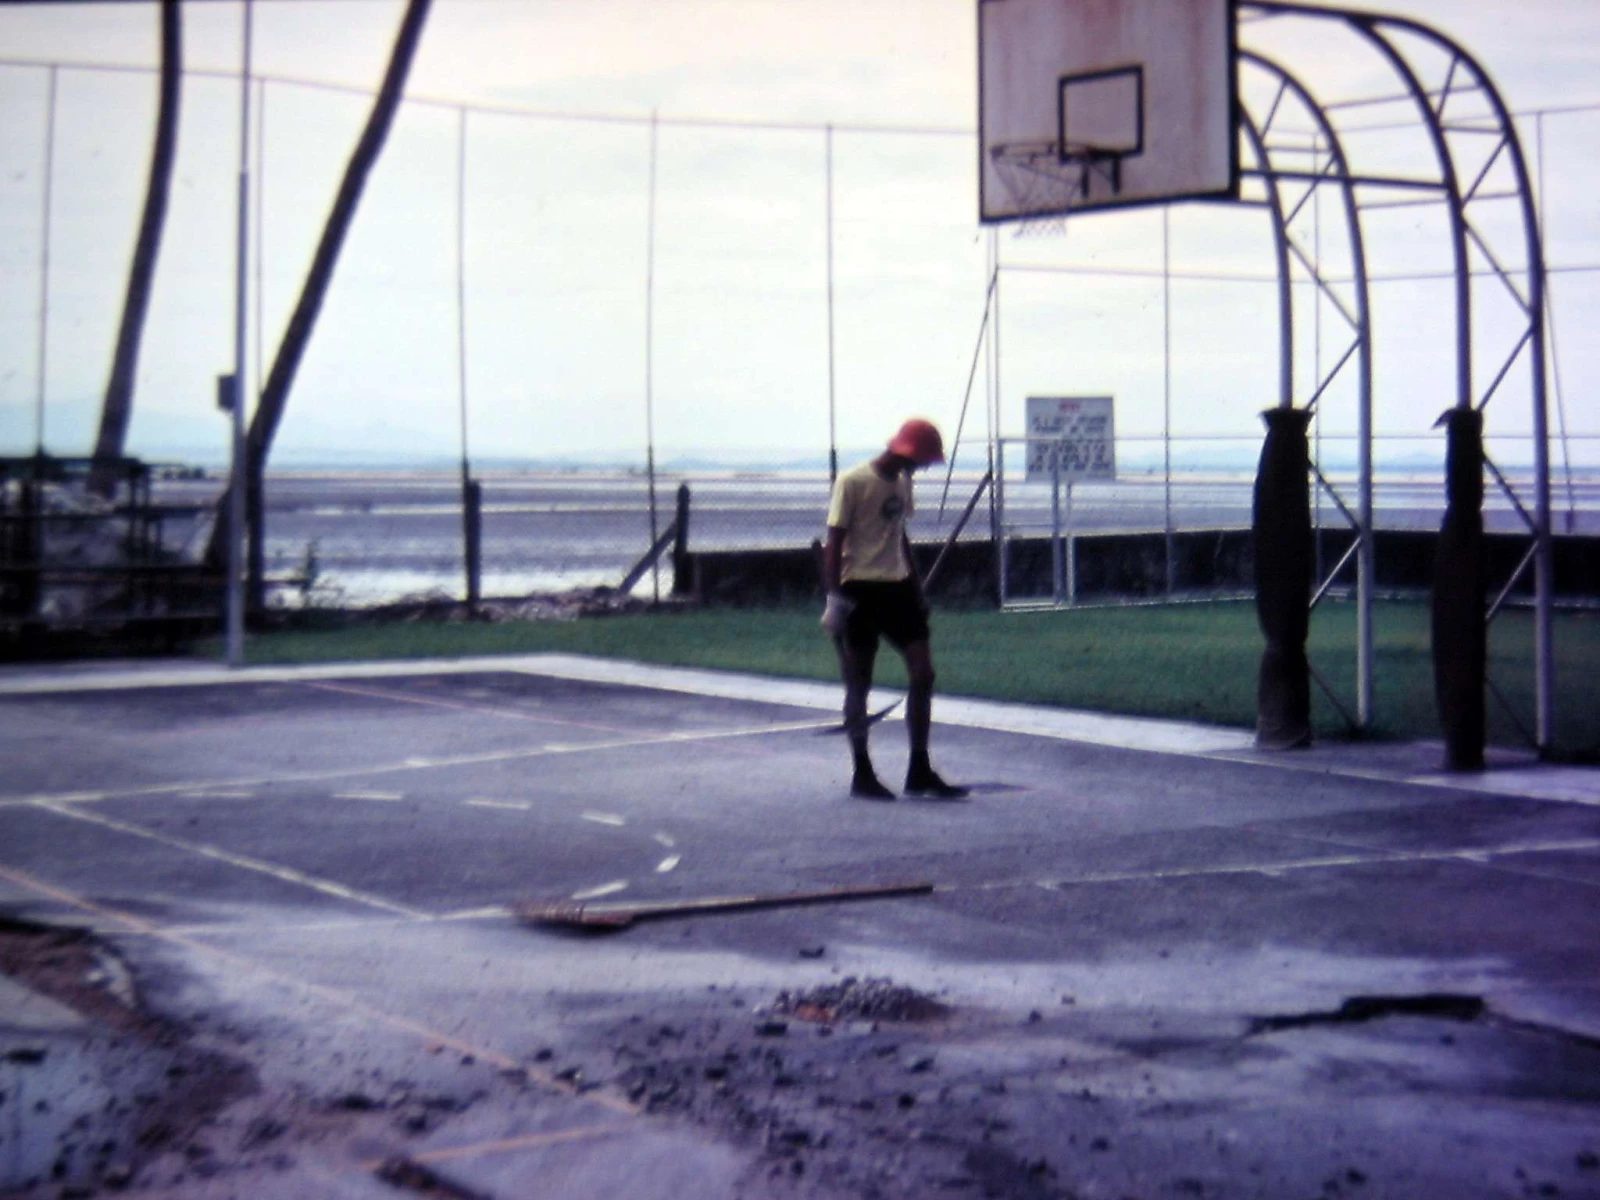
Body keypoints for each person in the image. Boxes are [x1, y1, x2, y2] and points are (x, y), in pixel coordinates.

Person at [821, 418, 968, 801]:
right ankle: (862, 772)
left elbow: (899, 533)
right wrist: (834, 599)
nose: (918, 469)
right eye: (918, 461)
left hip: (897, 587)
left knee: (924, 672)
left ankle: (919, 768)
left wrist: (916, 588)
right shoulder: (852, 482)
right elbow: (833, 543)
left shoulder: (903, 482)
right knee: (859, 681)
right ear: (903, 452)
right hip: (859, 589)